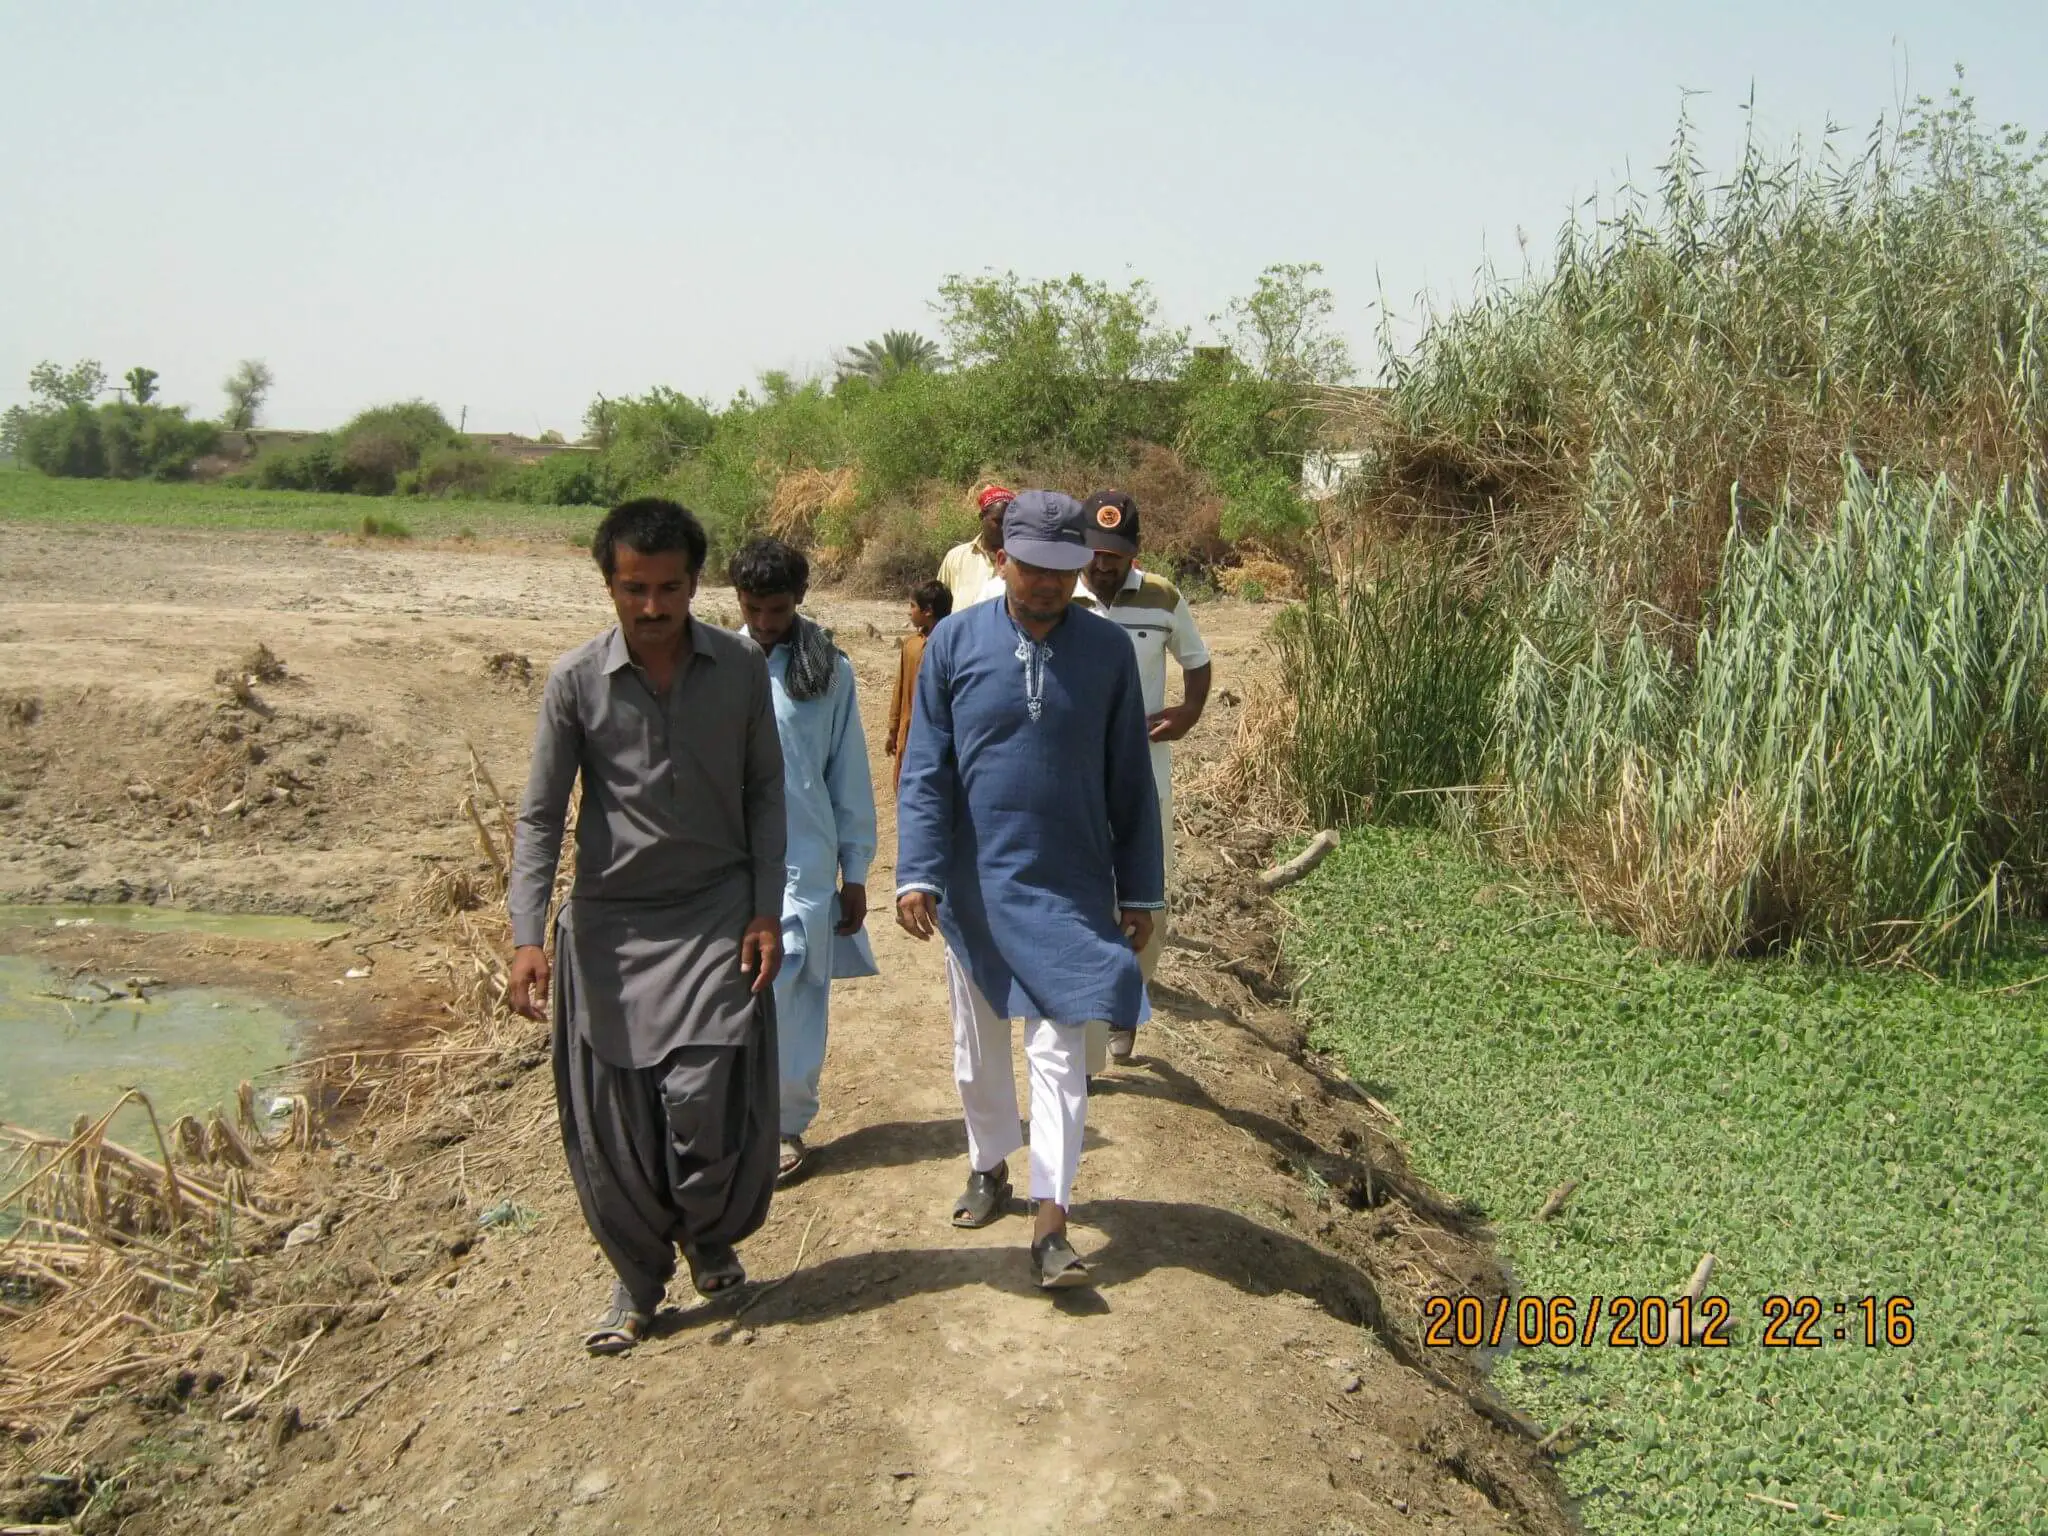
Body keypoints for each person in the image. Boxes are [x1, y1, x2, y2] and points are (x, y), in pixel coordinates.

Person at [508, 498, 786, 1356]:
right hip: (609, 932)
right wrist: (526, 935)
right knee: (618, 1124)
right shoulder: (575, 683)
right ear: (610, 585)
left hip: (713, 915)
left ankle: (708, 1234)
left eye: (670, 588)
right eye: (636, 589)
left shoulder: (740, 670)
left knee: (703, 1099)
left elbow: (766, 794)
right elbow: (541, 818)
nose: (654, 607)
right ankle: (636, 1283)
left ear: (695, 584)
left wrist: (766, 907)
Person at [895, 489, 1164, 1289]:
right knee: (978, 1047)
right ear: (1002, 557)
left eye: (1063, 568)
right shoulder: (952, 644)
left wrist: (1139, 888)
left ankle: (1053, 1221)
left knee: (1057, 1052)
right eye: (1031, 567)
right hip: (975, 884)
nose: (1046, 583)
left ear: (1082, 565)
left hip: (1071, 881)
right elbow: (924, 770)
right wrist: (918, 870)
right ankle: (988, 1164)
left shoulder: (1108, 652)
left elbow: (1130, 781)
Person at [728, 537, 879, 1186]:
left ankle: (786, 1125)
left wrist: (857, 870)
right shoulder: (712, 664)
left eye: (778, 611)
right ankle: (730, 1122)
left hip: (803, 865)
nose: (765, 624)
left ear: (799, 602)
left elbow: (848, 775)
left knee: (794, 996)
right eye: (754, 610)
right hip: (726, 865)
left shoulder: (828, 671)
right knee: (728, 997)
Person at [1075, 490, 1214, 1071]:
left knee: (1147, 906)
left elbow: (1198, 660)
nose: (1104, 564)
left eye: (1117, 553)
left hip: (1146, 781)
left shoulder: (1161, 597)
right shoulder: (1059, 594)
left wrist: (1187, 714)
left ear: (1135, 551)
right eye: (1096, 551)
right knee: (1084, 909)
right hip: (1077, 783)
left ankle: (1127, 1007)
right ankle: (1082, 1061)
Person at [884, 579, 952, 792]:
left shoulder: (951, 645)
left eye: (912, 606)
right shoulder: (911, 645)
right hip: (909, 730)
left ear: (928, 611)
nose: (909, 612)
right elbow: (900, 689)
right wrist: (893, 730)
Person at [935, 483, 1013, 609]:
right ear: (982, 517)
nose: (1004, 527)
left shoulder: (1020, 563)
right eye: (998, 521)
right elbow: (937, 606)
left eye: (1009, 522)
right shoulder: (956, 557)